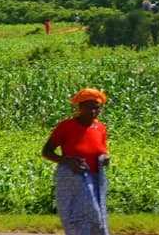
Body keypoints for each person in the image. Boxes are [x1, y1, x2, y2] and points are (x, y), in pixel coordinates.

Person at [42, 88, 110, 235]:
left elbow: (103, 151)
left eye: (97, 108)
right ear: (80, 107)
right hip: (73, 179)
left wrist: (105, 159)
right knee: (84, 216)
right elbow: (46, 152)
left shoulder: (100, 128)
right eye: (89, 107)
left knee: (97, 217)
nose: (93, 111)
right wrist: (66, 160)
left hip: (95, 179)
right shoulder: (66, 126)